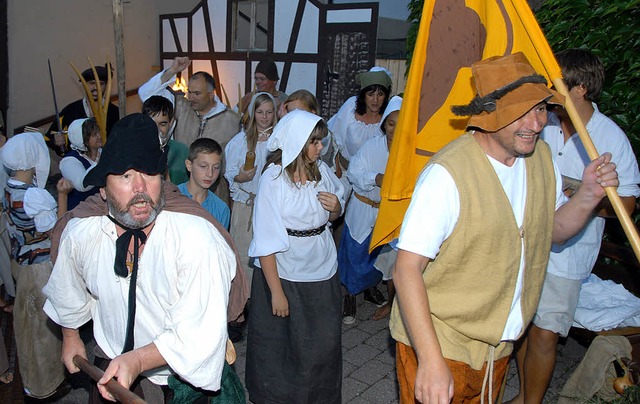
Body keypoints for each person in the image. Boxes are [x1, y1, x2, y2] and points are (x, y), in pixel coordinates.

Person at [390, 52, 620, 403]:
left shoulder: (540, 160)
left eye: (541, 108)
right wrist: (431, 360)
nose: (537, 122)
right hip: (443, 344)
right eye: (521, 112)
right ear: (488, 116)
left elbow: (553, 230)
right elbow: (406, 269)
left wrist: (588, 195)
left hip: (498, 349)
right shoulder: (448, 175)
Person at [42, 113, 236, 402]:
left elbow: (199, 330)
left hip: (177, 377)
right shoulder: (83, 233)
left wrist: (137, 360)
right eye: (126, 176)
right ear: (103, 190)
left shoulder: (196, 239)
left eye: (149, 174)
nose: (141, 188)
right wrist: (70, 337)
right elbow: (66, 287)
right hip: (110, 363)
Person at [509, 49, 640, 404]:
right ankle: (523, 394)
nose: (548, 90)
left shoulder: (609, 137)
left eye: (556, 83)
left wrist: (582, 197)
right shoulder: (541, 123)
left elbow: (626, 205)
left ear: (579, 88)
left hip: (570, 255)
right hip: (529, 243)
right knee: (522, 328)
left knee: (546, 335)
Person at [245, 110, 344, 403]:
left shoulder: (321, 171)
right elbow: (265, 240)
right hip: (284, 273)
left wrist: (336, 207)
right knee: (283, 344)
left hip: (321, 267)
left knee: (322, 342)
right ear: (298, 142)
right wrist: (276, 292)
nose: (321, 147)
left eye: (321, 141)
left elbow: (333, 216)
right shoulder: (274, 180)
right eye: (314, 142)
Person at [2, 131, 69, 399]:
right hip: (40, 268)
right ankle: (47, 384)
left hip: (21, 265)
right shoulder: (33, 198)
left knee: (28, 327)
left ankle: (32, 381)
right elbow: (57, 229)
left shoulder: (9, 188)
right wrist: (62, 194)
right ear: (32, 161)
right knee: (44, 330)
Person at [139, 57, 241, 204]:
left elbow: (235, 160)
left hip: (214, 193)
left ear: (211, 94)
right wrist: (173, 70)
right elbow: (145, 94)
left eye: (197, 93)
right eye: (189, 92)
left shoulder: (232, 120)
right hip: (179, 189)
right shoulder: (179, 106)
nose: (191, 97)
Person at [340, 96, 402, 324]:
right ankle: (350, 296)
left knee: (381, 255)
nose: (395, 128)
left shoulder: (408, 153)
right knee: (356, 254)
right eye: (391, 123)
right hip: (364, 208)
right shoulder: (370, 148)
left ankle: (370, 289)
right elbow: (354, 173)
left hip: (389, 212)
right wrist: (376, 178)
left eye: (400, 122)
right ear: (385, 124)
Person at [225, 92, 277, 284]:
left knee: (269, 253)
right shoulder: (240, 141)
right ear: (252, 113)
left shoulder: (278, 142)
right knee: (243, 252)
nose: (264, 117)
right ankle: (243, 298)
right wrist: (240, 177)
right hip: (246, 205)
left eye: (269, 112)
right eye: (260, 112)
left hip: (271, 207)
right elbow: (229, 172)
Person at [46, 65, 120, 155]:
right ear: (84, 84)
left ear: (106, 85)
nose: (96, 87)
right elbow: (48, 138)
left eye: (101, 84)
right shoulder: (70, 111)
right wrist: (56, 141)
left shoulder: (116, 113)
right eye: (92, 83)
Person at [180, 138, 230, 229]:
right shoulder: (172, 198)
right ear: (189, 165)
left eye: (216, 167)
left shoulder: (221, 209)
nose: (210, 174)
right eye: (203, 166)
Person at [142, 95, 190, 185]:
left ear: (171, 123)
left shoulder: (182, 152)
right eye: (151, 124)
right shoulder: (135, 151)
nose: (157, 129)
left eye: (162, 124)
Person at [59, 118, 102, 210]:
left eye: (98, 132)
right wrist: (103, 162)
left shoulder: (103, 152)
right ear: (81, 139)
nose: (99, 136)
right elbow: (82, 185)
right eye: (94, 135)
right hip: (81, 211)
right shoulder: (69, 161)